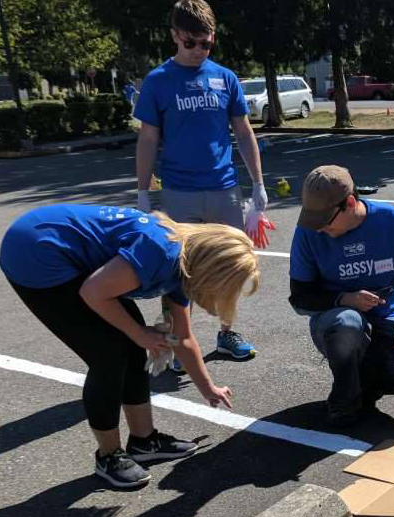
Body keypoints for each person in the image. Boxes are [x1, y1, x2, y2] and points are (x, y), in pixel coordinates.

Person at [0, 204, 259, 488]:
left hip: (69, 255)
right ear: (212, 271)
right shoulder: (160, 250)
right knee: (108, 356)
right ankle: (108, 456)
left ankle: (143, 441)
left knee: (134, 350)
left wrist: (208, 388)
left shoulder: (184, 267)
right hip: (35, 252)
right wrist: (138, 332)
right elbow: (93, 292)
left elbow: (181, 338)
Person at [134, 0, 267, 369]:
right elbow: (148, 138)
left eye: (205, 44)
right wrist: (143, 192)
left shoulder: (225, 78)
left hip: (224, 187)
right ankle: (178, 341)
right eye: (190, 42)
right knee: (176, 271)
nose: (197, 51)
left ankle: (227, 333)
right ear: (175, 35)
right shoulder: (158, 81)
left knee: (231, 266)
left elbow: (243, 131)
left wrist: (257, 183)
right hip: (179, 191)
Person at [289, 166, 394, 427]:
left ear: (349, 203)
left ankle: (362, 385)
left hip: (385, 321)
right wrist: (344, 299)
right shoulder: (308, 232)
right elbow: (300, 297)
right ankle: (343, 402)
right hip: (336, 323)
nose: (320, 227)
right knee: (347, 322)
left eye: (326, 219)